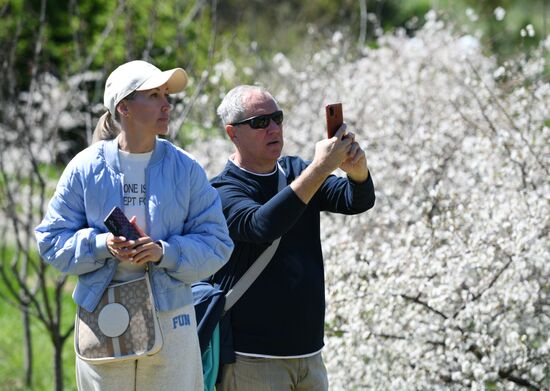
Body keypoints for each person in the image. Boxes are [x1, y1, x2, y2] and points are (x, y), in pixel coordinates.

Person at [35, 60, 234, 391]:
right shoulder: (85, 168)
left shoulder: (185, 169)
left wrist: (163, 252)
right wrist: (102, 246)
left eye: (166, 95)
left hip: (171, 316)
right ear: (123, 107)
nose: (166, 105)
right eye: (154, 95)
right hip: (104, 316)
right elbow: (50, 241)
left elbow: (217, 243)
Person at [210, 85, 375, 390]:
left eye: (277, 118)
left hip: (310, 354)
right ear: (233, 134)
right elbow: (261, 227)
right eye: (260, 122)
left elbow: (355, 201)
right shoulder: (221, 190)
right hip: (252, 359)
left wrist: (358, 171)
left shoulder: (296, 170)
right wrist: (320, 168)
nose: (273, 128)